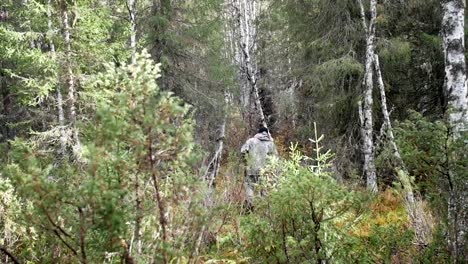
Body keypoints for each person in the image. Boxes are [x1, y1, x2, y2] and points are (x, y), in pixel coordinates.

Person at [241, 126, 278, 210]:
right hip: (265, 171)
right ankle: (264, 209)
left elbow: (243, 151)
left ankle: (250, 206)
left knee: (250, 186)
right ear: (267, 133)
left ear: (258, 132)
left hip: (251, 169)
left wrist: (246, 162)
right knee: (264, 188)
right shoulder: (271, 143)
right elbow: (275, 157)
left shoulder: (250, 141)